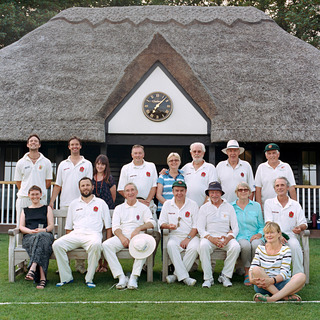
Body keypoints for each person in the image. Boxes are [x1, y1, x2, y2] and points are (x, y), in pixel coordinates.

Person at [53, 177, 111, 288]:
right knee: (57, 245)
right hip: (76, 234)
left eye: (88, 185)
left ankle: (89, 279)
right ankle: (66, 278)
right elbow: (69, 227)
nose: (85, 188)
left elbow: (108, 226)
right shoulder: (74, 204)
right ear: (79, 188)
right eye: (83, 186)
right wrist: (68, 241)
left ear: (92, 186)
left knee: (96, 245)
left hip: (93, 235)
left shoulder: (101, 203)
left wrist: (107, 242)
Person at [49, 136, 93, 273]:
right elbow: (58, 185)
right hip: (65, 204)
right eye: (72, 145)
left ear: (80, 146)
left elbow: (89, 185)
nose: (74, 147)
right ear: (69, 147)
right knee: (64, 236)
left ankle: (80, 265)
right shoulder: (63, 164)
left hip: (82, 203)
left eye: (77, 144)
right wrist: (51, 201)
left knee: (81, 233)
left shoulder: (87, 164)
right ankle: (63, 265)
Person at [102, 183, 156, 290]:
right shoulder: (119, 208)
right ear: (124, 194)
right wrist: (122, 237)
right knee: (106, 245)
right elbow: (116, 227)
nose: (130, 193)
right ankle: (121, 277)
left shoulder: (143, 208)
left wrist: (138, 229)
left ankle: (133, 277)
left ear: (136, 192)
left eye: (132, 190)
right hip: (122, 235)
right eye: (127, 191)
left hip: (138, 236)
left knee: (144, 245)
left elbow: (152, 223)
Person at [250, 222, 306, 302]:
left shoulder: (286, 250)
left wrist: (271, 281)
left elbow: (284, 274)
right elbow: (252, 268)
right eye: (267, 233)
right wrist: (252, 280)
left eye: (272, 232)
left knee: (301, 276)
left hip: (282, 284)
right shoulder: (260, 248)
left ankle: (272, 298)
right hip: (264, 285)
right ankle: (284, 297)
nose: (269, 235)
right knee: (256, 269)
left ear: (279, 234)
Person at [198, 181, 240, 288]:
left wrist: (227, 239)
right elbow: (201, 229)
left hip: (225, 237)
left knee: (235, 247)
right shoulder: (204, 208)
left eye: (217, 192)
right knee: (203, 246)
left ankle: (225, 276)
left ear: (221, 193)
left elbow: (235, 228)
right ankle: (208, 278)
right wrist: (211, 238)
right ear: (208, 194)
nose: (214, 195)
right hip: (209, 238)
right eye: (212, 192)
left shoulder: (229, 207)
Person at [159, 180, 199, 286]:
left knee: (195, 247)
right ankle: (185, 277)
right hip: (174, 235)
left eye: (182, 190)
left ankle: (176, 275)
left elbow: (196, 226)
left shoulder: (193, 204)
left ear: (186, 191)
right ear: (173, 191)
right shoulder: (167, 204)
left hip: (190, 236)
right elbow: (161, 223)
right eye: (176, 190)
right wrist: (168, 226)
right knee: (171, 245)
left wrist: (188, 238)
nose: (179, 193)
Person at [264, 177, 307, 275]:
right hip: (273, 236)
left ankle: (298, 276)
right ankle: (273, 276)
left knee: (295, 246)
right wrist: (278, 236)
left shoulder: (295, 204)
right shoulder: (269, 203)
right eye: (277, 186)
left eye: (282, 185)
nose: (280, 188)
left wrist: (300, 228)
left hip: (290, 236)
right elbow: (269, 223)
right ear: (274, 189)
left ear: (287, 187)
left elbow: (304, 223)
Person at [19, 185, 54, 289]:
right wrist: (30, 231)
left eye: (37, 194)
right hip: (29, 238)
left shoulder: (47, 208)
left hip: (46, 235)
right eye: (32, 194)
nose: (35, 196)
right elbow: (21, 226)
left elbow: (51, 225)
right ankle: (42, 279)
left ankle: (32, 268)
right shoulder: (25, 210)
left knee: (41, 237)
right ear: (29, 195)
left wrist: (43, 230)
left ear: (41, 195)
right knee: (40, 242)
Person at [14, 134, 52, 226]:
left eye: (35, 141)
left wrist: (37, 194)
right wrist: (28, 193)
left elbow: (48, 182)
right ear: (27, 145)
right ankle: (19, 241)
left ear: (39, 145)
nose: (33, 142)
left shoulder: (46, 162)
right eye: (31, 141)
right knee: (20, 226)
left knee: (40, 225)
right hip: (24, 198)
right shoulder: (21, 162)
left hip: (40, 199)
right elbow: (18, 182)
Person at [231, 182, 264, 286]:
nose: (243, 192)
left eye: (246, 190)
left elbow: (262, 225)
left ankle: (255, 271)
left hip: (255, 234)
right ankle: (247, 272)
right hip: (239, 236)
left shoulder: (256, 206)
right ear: (236, 193)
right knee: (245, 246)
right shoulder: (231, 206)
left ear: (250, 192)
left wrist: (259, 234)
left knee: (256, 245)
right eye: (240, 190)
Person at [92, 154, 116, 273]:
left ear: (106, 166)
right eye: (98, 164)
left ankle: (106, 264)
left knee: (107, 238)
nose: (100, 166)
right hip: (95, 212)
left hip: (108, 210)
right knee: (97, 238)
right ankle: (98, 264)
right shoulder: (92, 178)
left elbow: (113, 196)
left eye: (102, 164)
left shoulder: (109, 179)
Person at [255, 143, 296, 208]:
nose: (272, 156)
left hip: (284, 206)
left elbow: (291, 188)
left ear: (278, 154)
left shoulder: (286, 167)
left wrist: (295, 206)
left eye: (274, 153)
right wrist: (259, 207)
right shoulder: (261, 167)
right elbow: (258, 189)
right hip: (266, 206)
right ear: (266, 155)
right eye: (269, 153)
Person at [181, 142, 217, 207]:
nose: (196, 154)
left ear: (203, 153)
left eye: (199, 151)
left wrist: (203, 206)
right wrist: (165, 172)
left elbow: (212, 190)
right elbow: (174, 175)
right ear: (191, 153)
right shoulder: (185, 168)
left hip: (206, 207)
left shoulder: (210, 168)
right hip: (187, 208)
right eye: (194, 151)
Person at [156, 152, 184, 216]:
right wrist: (170, 206)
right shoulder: (162, 176)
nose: (173, 162)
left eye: (176, 160)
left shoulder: (183, 176)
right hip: (164, 209)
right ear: (168, 163)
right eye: (171, 160)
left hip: (180, 209)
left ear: (180, 162)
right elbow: (158, 195)